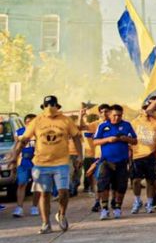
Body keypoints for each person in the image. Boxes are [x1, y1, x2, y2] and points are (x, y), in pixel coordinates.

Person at [3, 96, 82, 234]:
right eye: (47, 105)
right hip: (41, 164)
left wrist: (80, 156)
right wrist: (15, 156)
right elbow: (24, 140)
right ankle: (46, 223)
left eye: (52, 104)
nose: (50, 107)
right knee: (45, 194)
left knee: (64, 192)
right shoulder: (37, 121)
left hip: (61, 162)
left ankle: (61, 214)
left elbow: (76, 137)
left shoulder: (65, 120)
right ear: (43, 107)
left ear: (57, 106)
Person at [93, 104, 137, 219]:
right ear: (109, 114)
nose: (116, 118)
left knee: (120, 186)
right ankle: (104, 209)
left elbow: (135, 140)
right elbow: (95, 141)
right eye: (114, 115)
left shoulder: (126, 125)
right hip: (106, 161)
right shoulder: (103, 126)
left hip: (122, 160)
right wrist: (108, 139)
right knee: (103, 185)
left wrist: (125, 139)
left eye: (119, 115)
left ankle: (117, 208)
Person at [127, 95, 156, 214]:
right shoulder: (135, 122)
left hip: (151, 156)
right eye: (144, 108)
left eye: (149, 108)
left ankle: (150, 203)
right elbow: (130, 139)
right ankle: (137, 201)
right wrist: (130, 153)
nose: (147, 110)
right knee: (136, 181)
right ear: (141, 109)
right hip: (137, 156)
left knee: (150, 181)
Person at [79, 103, 108, 210]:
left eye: (106, 111)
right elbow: (82, 127)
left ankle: (114, 202)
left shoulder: (115, 124)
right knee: (98, 180)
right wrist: (81, 116)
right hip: (99, 156)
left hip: (113, 156)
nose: (104, 114)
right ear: (99, 113)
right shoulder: (96, 125)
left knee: (112, 182)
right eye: (102, 112)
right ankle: (97, 202)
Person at [12, 114, 40, 218]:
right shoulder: (20, 132)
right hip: (23, 160)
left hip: (36, 161)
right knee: (21, 183)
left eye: (32, 121)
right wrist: (14, 159)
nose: (29, 123)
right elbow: (16, 145)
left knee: (37, 184)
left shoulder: (39, 132)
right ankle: (19, 207)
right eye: (28, 121)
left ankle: (34, 206)